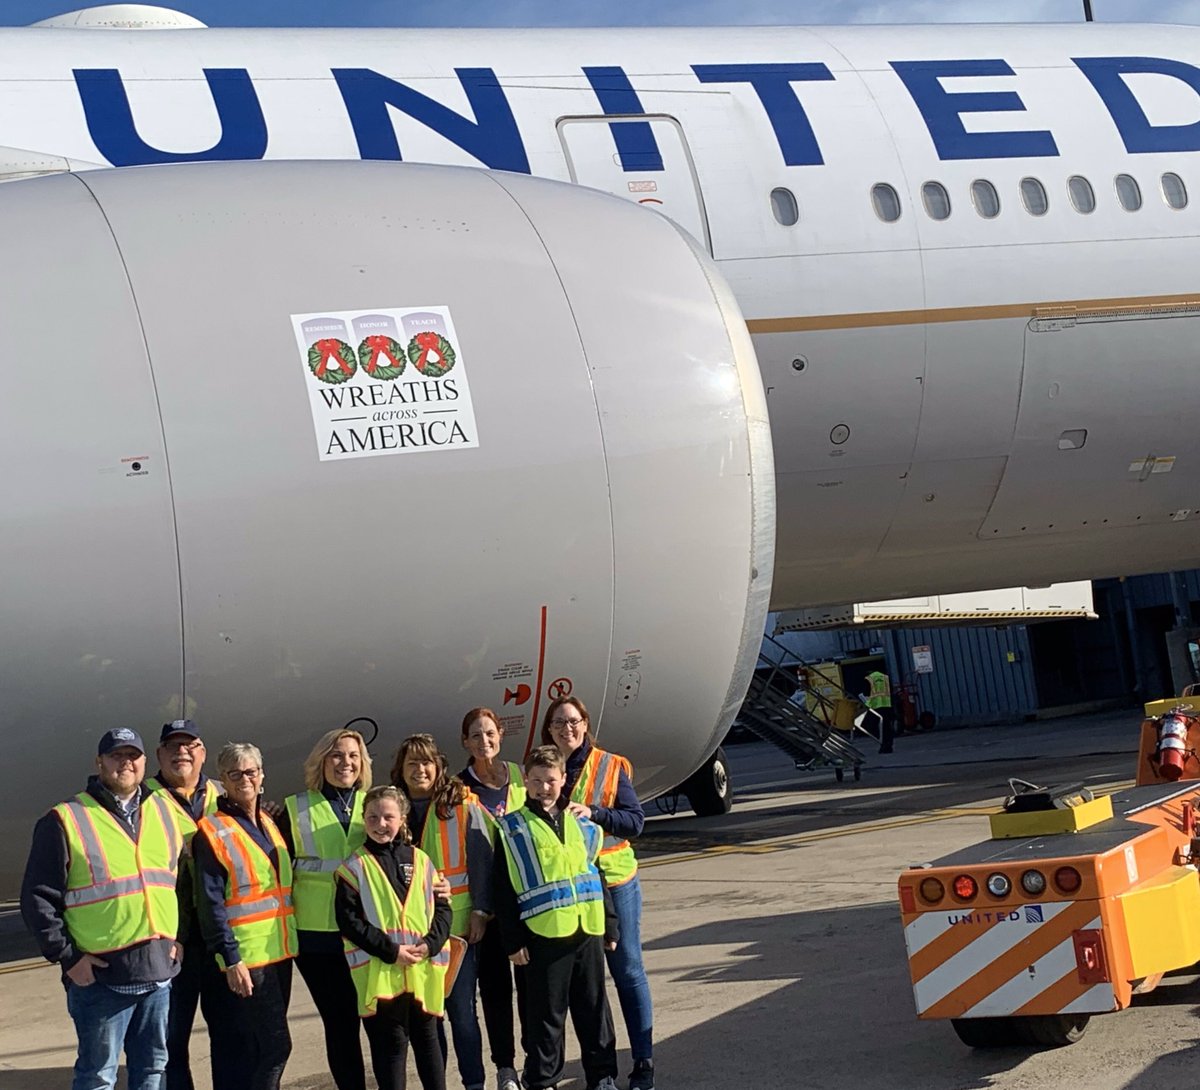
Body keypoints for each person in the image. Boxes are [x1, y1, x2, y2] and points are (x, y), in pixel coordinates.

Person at [20, 727, 183, 1090]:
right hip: (101, 979)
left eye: (132, 756)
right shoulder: (66, 818)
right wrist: (68, 957)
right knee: (98, 1077)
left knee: (153, 1070)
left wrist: (177, 938)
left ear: (144, 762)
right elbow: (36, 898)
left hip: (158, 973)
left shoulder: (162, 811)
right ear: (99, 762)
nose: (125, 763)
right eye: (116, 755)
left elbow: (175, 882)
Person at [542, 697, 654, 1090]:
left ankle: (643, 1062)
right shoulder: (544, 770)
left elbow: (635, 822)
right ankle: (601, 1071)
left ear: (586, 723)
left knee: (627, 970)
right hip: (574, 889)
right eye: (559, 723)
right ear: (549, 729)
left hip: (614, 880)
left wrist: (596, 813)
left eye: (573, 721)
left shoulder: (610, 765)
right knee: (586, 985)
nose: (567, 729)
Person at [492, 745, 618, 1090]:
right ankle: (543, 1080)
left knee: (594, 1009)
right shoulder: (512, 827)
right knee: (546, 1016)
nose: (543, 788)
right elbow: (503, 888)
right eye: (536, 781)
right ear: (525, 781)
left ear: (563, 779)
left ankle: (602, 1076)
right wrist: (513, 940)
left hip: (587, 928)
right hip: (543, 933)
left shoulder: (582, 822)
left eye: (550, 780)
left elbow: (596, 873)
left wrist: (610, 923)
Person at [391, 734, 493, 1090]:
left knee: (462, 1014)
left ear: (439, 767)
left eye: (426, 763)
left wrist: (481, 909)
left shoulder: (462, 803)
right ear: (400, 770)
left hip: (456, 929)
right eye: (412, 763)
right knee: (428, 1020)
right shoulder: (391, 809)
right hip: (414, 935)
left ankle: (474, 1083)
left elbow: (483, 859)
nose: (420, 770)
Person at [335, 785, 453, 1090]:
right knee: (391, 1045)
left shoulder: (421, 860)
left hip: (422, 971)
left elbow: (442, 910)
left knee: (428, 1040)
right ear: (363, 820)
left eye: (388, 817)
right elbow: (349, 922)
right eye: (372, 817)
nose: (380, 824)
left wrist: (430, 944)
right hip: (381, 974)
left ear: (402, 818)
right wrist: (391, 951)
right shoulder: (353, 867)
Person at [193, 742, 296, 1090]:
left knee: (259, 1047)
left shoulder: (268, 822)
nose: (244, 780)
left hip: (278, 952)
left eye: (250, 772)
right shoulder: (212, 831)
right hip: (247, 958)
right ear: (222, 780)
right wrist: (230, 958)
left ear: (262, 775)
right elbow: (210, 903)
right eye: (234, 774)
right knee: (276, 1047)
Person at [281, 728, 372, 1090]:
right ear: (321, 761)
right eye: (336, 755)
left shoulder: (375, 803)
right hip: (317, 935)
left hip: (367, 930)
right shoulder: (296, 807)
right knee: (340, 1024)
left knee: (379, 1021)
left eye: (352, 755)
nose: (345, 763)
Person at [147, 720, 223, 1090]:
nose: (182, 752)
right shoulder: (142, 799)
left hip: (218, 937)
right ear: (159, 754)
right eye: (173, 746)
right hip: (171, 940)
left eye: (189, 745)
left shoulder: (223, 793)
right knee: (169, 1043)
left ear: (202, 753)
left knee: (228, 1036)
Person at [458, 708, 527, 1090]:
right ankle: (504, 1068)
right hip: (487, 907)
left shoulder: (520, 775)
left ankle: (533, 1065)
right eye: (476, 735)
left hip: (525, 901)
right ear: (465, 743)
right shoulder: (458, 789)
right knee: (495, 991)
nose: (484, 741)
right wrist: (479, 908)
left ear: (500, 734)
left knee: (531, 991)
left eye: (489, 733)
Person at [864, 667, 895, 754]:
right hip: (887, 704)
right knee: (887, 727)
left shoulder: (869, 679)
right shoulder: (885, 677)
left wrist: (866, 704)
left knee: (872, 726)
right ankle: (888, 746)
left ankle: (882, 744)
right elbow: (891, 690)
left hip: (875, 706)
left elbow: (867, 693)